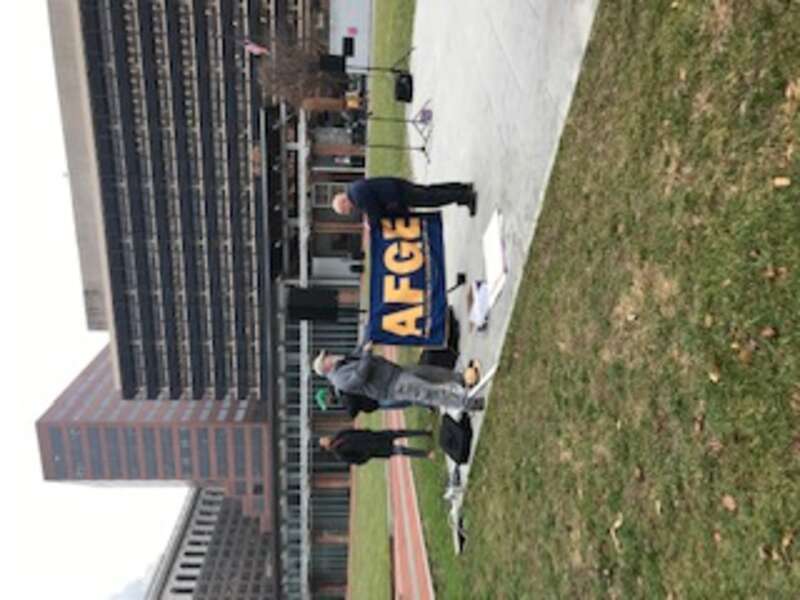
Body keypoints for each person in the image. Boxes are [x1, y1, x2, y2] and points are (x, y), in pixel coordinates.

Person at [312, 343, 483, 411]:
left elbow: (359, 350)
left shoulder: (343, 362)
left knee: (430, 373)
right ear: (326, 366)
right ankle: (468, 404)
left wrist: (369, 334)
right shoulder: (339, 380)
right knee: (429, 392)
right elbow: (360, 376)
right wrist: (367, 354)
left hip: (395, 372)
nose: (330, 354)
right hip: (392, 385)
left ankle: (461, 379)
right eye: (326, 356)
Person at [331, 177, 477, 222]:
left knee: (431, 198)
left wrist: (371, 223)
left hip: (396, 195)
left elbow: (375, 211)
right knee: (429, 191)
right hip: (396, 186)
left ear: (344, 202)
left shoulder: (357, 197)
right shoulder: (354, 188)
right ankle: (462, 189)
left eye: (345, 211)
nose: (348, 212)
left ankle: (465, 196)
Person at [319, 428, 433, 465]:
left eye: (324, 437)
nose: (326, 438)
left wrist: (367, 431)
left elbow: (354, 430)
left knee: (400, 433)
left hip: (375, 436)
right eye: (324, 440)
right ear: (326, 447)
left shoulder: (340, 435)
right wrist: (367, 454)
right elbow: (357, 460)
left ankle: (425, 433)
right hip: (375, 449)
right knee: (401, 450)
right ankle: (426, 454)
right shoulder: (340, 454)